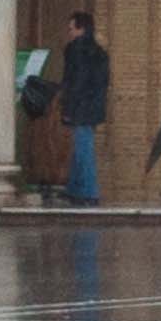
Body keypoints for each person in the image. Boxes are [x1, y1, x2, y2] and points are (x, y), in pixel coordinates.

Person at [56, 11, 112, 204]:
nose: (69, 32)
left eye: (71, 28)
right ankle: (74, 188)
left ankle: (89, 193)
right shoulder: (99, 51)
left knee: (83, 149)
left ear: (81, 29)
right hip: (94, 105)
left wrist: (69, 107)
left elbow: (76, 81)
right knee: (81, 145)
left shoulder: (76, 49)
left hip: (80, 105)